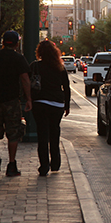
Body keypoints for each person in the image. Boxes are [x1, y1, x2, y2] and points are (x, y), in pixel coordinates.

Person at [0, 30, 32, 176]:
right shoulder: (19, 58)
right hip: (11, 101)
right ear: (17, 43)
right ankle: (11, 164)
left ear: (3, 42)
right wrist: (28, 98)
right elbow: (25, 79)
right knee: (13, 132)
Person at [30, 40, 71, 176]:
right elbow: (66, 87)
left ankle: (44, 166)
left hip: (40, 103)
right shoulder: (60, 67)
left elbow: (28, 84)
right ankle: (55, 163)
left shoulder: (35, 66)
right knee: (55, 132)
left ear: (39, 52)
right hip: (57, 104)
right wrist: (67, 105)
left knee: (42, 135)